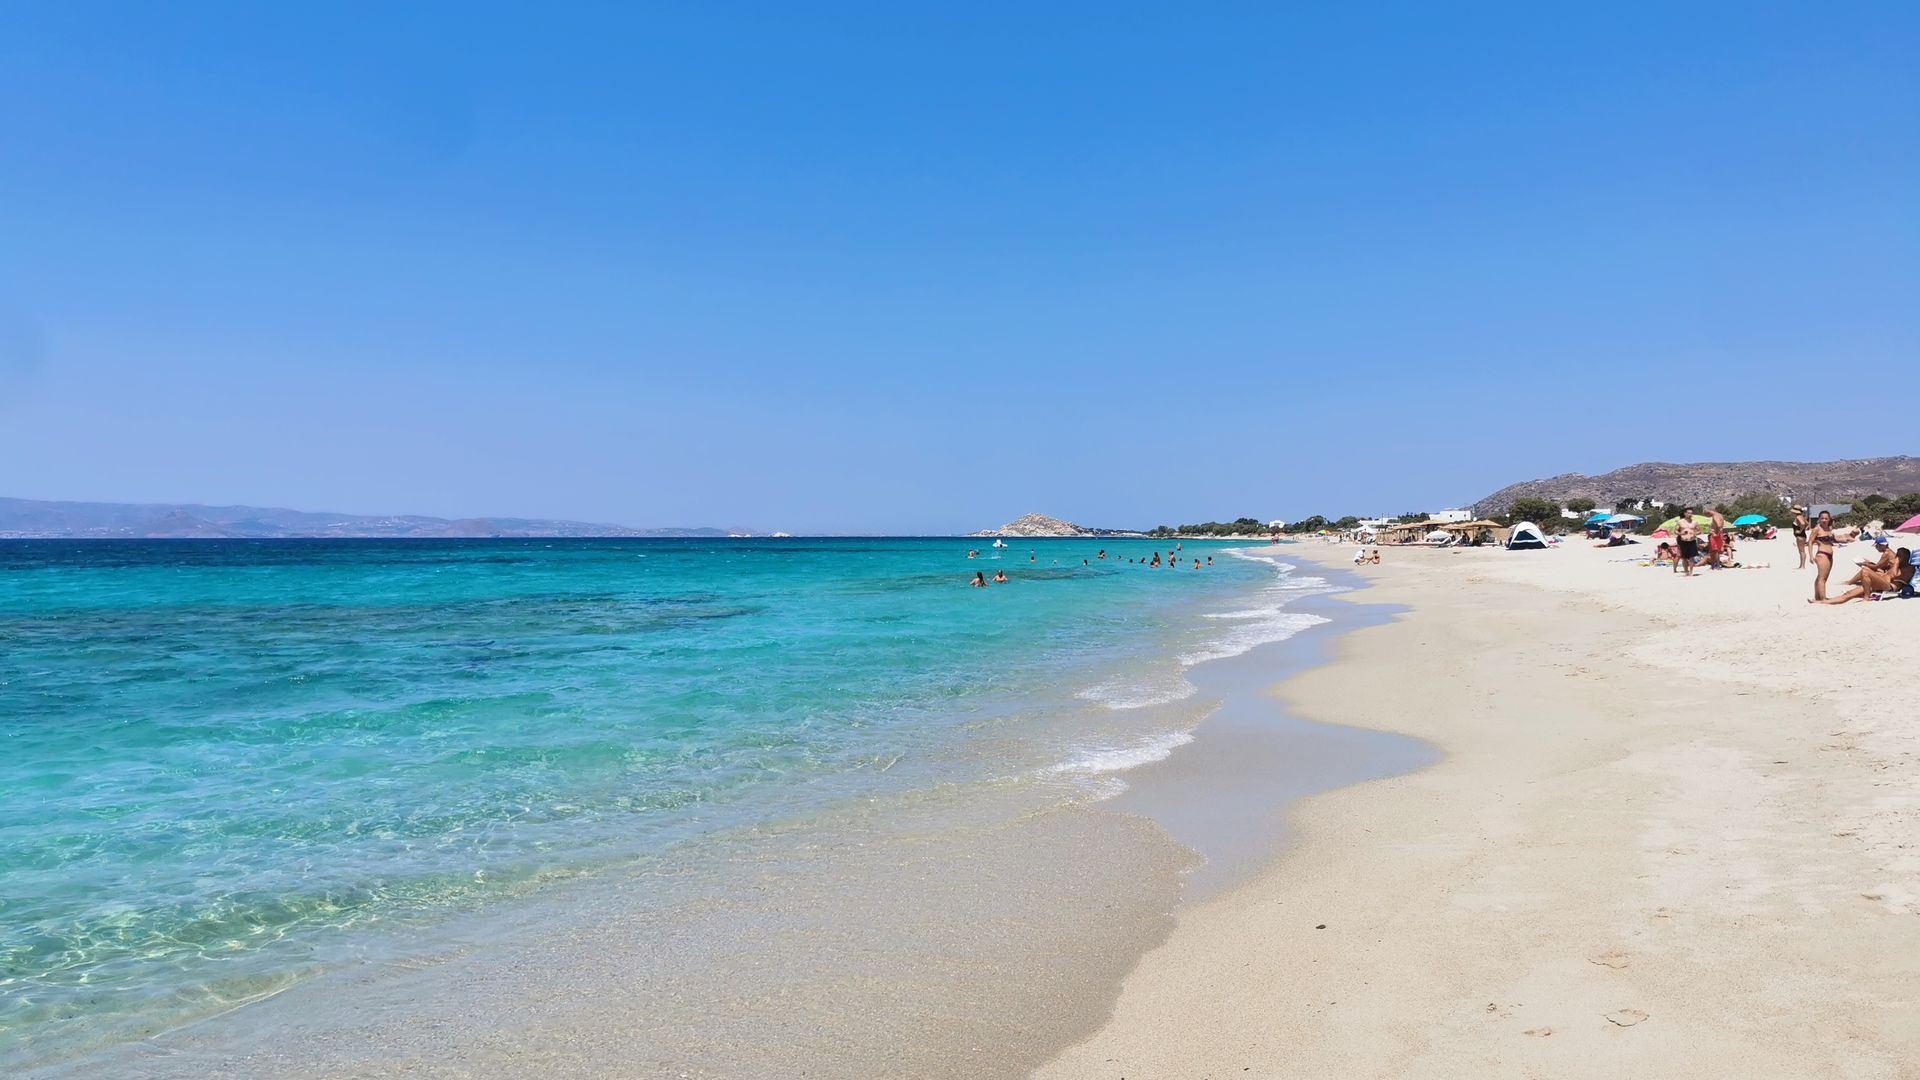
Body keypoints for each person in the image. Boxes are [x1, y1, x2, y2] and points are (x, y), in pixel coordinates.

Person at [1818, 546, 1912, 604]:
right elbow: (1886, 571)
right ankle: (1824, 602)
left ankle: (1866, 597)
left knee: (1865, 571)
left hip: (1889, 587)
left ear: (1906, 557)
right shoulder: (1897, 565)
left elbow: (1895, 575)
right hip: (1878, 583)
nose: (1897, 557)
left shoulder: (1910, 568)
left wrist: (1896, 563)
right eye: (1897, 555)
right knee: (1849, 594)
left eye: (1900, 556)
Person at [1810, 510, 1836, 601]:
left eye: (1826, 518)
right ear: (1819, 519)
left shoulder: (1829, 528)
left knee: (1823, 577)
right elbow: (1810, 542)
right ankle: (1823, 598)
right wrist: (1810, 556)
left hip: (1830, 555)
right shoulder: (1817, 529)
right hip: (1822, 554)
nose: (1824, 520)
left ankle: (1817, 597)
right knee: (1822, 578)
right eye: (1822, 518)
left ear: (1829, 519)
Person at [1673, 508, 1701, 578]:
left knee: (1692, 557)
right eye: (1688, 513)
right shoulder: (1680, 522)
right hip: (1683, 541)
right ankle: (1686, 571)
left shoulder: (1695, 522)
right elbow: (1675, 531)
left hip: (1692, 540)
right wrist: (1680, 533)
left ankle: (1691, 571)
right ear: (1685, 513)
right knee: (1684, 557)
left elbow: (1699, 531)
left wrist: (1695, 533)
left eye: (1691, 513)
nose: (1690, 514)